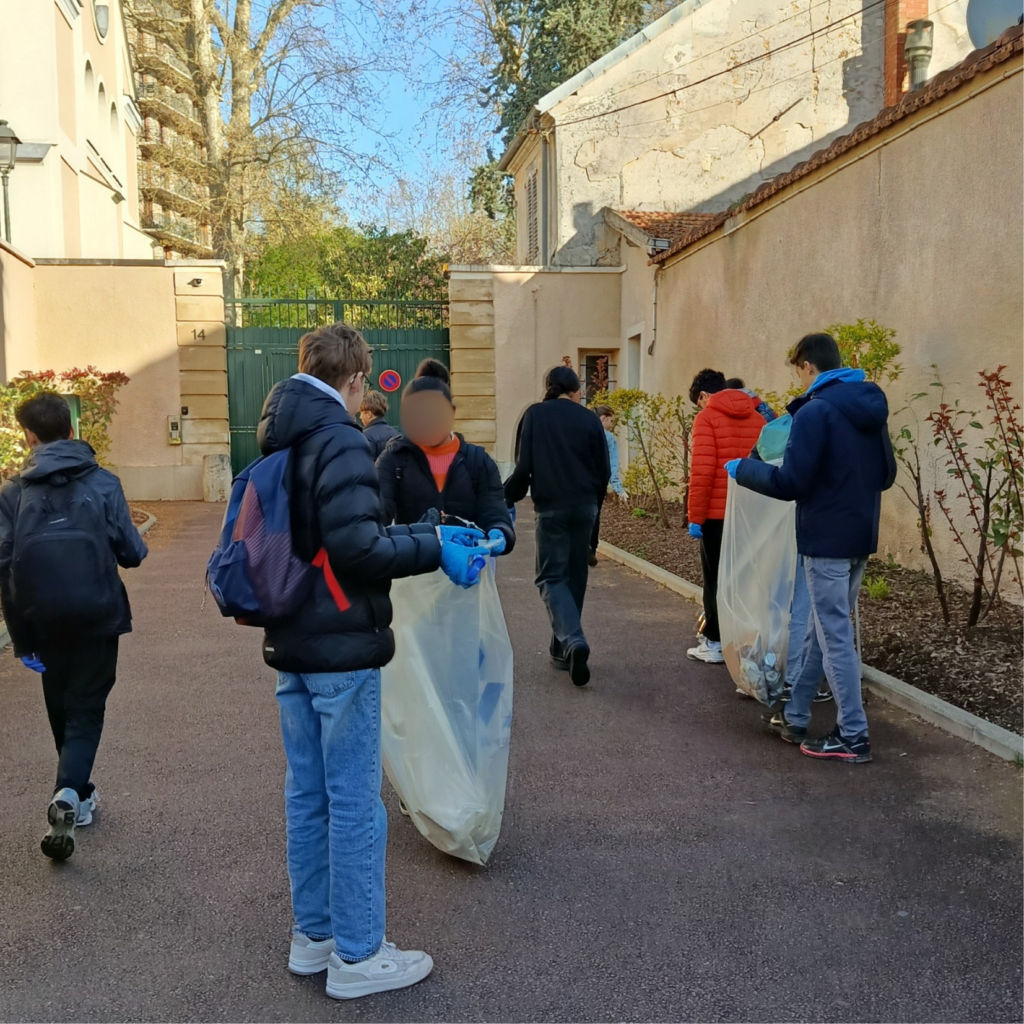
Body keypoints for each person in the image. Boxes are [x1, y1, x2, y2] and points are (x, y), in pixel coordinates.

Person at [255, 322, 490, 999]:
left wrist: (424, 531)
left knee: (308, 795)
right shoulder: (342, 440)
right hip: (342, 644)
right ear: (357, 379)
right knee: (356, 803)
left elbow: (337, 535)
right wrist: (435, 548)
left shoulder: (280, 437)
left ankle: (315, 936)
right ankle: (358, 955)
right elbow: (359, 549)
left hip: (292, 639)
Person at [726, 332, 897, 764]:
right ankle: (797, 715)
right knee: (822, 628)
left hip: (825, 539)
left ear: (807, 366)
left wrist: (744, 469)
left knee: (834, 636)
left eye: (798, 372)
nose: (800, 381)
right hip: (859, 536)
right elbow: (887, 475)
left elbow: (791, 482)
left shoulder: (815, 412)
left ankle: (854, 735)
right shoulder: (871, 406)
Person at [0, 392, 148, 861]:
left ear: (29, 437)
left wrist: (21, 639)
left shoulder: (12, 493)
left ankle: (78, 792)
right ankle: (69, 792)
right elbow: (132, 553)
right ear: (71, 430)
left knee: (61, 704)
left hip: (41, 620)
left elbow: (5, 570)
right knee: (86, 709)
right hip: (97, 615)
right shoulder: (103, 483)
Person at [504, 366, 610, 687]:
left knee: (550, 577)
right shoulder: (590, 419)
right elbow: (603, 474)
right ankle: (562, 650)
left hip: (552, 507)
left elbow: (523, 467)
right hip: (585, 506)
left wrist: (505, 497)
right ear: (576, 392)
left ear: (549, 387)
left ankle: (574, 640)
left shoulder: (535, 415)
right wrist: (594, 529)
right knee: (574, 577)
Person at [376, 362, 514, 555]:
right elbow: (376, 517)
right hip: (414, 565)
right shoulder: (394, 460)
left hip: (470, 565)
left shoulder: (478, 461)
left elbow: (494, 511)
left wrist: (500, 531)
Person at [685, 369, 766, 665]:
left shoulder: (706, 418)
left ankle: (715, 642)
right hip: (750, 512)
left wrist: (696, 516)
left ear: (704, 396)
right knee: (745, 579)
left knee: (715, 580)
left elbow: (703, 472)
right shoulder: (759, 419)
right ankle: (745, 642)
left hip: (716, 516)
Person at [587, 404, 624, 565]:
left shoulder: (583, 432)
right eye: (611, 421)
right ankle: (591, 547)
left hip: (580, 480)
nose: (611, 425)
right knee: (594, 515)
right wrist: (618, 488)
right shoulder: (608, 437)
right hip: (598, 482)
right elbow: (612, 464)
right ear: (603, 418)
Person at [359, 390, 399, 460]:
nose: (360, 417)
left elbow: (366, 463)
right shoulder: (396, 433)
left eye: (361, 413)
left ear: (369, 414)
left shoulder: (366, 436)